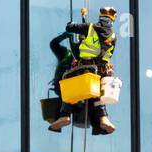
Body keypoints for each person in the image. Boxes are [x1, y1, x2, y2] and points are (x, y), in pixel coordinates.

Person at [49, 7, 118, 135]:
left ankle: (64, 115)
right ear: (111, 22)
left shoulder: (90, 27)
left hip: (85, 68)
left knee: (71, 87)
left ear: (100, 18)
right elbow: (109, 53)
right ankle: (104, 118)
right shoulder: (113, 36)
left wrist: (71, 25)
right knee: (96, 94)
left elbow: (70, 28)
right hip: (101, 71)